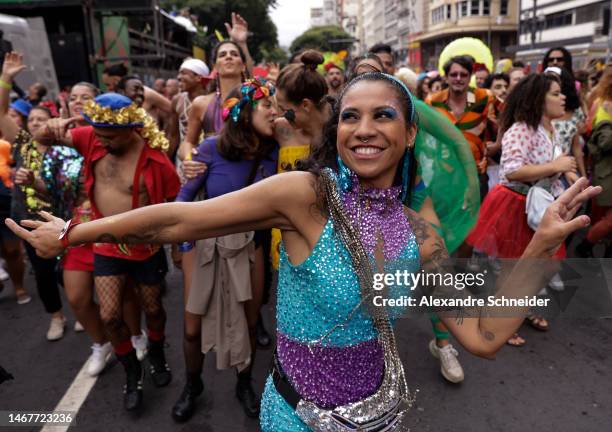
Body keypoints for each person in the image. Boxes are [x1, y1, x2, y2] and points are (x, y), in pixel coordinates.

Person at [8, 72, 600, 431]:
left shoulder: (422, 237)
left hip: (375, 419)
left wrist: (546, 244)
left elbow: (483, 337)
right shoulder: (305, 197)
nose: (364, 128)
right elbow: (182, 218)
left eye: (383, 116)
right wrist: (75, 234)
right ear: (335, 131)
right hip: (295, 418)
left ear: (410, 133)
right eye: (350, 117)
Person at [34, 93, 180, 411]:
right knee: (110, 316)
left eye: (110, 137)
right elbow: (40, 135)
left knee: (153, 310)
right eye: (98, 135)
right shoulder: (93, 138)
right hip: (106, 247)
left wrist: (179, 250)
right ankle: (132, 371)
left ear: (130, 129)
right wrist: (55, 125)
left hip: (146, 248)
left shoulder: (156, 159)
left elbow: (174, 208)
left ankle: (156, 351)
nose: (102, 142)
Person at [172, 78, 277, 422]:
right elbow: (184, 198)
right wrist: (184, 242)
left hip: (252, 244)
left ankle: (244, 383)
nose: (274, 112)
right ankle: (193, 384)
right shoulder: (211, 148)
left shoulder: (275, 150)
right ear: (244, 113)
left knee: (247, 323)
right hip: (203, 246)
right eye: (267, 106)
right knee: (192, 326)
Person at [466, 73, 574, 346]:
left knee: (542, 266)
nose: (563, 97)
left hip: (540, 206)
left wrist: (569, 177)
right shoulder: (521, 129)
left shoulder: (551, 130)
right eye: (555, 93)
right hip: (515, 205)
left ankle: (520, 308)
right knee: (511, 269)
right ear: (538, 99)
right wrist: (556, 167)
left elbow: (557, 166)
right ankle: (499, 319)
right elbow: (512, 170)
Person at [0, 52, 66, 339]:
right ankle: (56, 316)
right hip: (27, 219)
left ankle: (80, 305)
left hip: (63, 218)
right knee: (42, 273)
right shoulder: (22, 145)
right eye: (33, 120)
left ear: (53, 122)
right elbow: (1, 114)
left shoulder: (65, 149)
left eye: (43, 119)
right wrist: (5, 79)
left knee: (69, 271)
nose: (37, 123)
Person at [427, 55, 494, 200]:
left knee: (477, 222)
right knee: (446, 221)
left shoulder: (484, 98)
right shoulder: (433, 101)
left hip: (476, 174)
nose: (458, 78)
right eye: (453, 74)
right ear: (446, 77)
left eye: (464, 74)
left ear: (470, 77)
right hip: (443, 174)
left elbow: (509, 114)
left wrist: (498, 144)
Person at [577, 65, 612, 258]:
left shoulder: (598, 100)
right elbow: (593, 134)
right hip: (604, 167)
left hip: (601, 167)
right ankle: (587, 245)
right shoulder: (603, 103)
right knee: (605, 215)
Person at [166, 58, 211, 159]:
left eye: (183, 73)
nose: (178, 77)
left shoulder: (212, 100)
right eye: (179, 74)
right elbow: (173, 136)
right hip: (184, 160)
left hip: (209, 157)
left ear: (198, 78)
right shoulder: (177, 100)